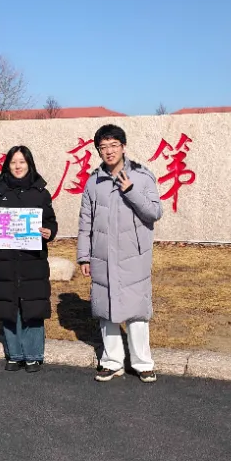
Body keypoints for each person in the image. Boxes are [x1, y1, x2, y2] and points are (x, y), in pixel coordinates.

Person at [77, 124, 163, 383]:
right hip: (102, 255)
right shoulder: (94, 182)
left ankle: (142, 363)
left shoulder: (143, 177)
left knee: (137, 311)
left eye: (114, 145)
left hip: (133, 255)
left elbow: (154, 212)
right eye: (103, 147)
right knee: (107, 310)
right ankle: (111, 362)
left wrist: (131, 190)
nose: (109, 151)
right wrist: (84, 256)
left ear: (123, 147)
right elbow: (85, 221)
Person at [0, 146, 58, 373]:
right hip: (5, 259)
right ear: (7, 165)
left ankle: (33, 355)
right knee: (9, 306)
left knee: (33, 306)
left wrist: (49, 232)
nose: (18, 166)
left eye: (22, 162)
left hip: (32, 259)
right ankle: (14, 354)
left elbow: (51, 222)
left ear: (29, 164)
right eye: (13, 162)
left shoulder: (40, 192)